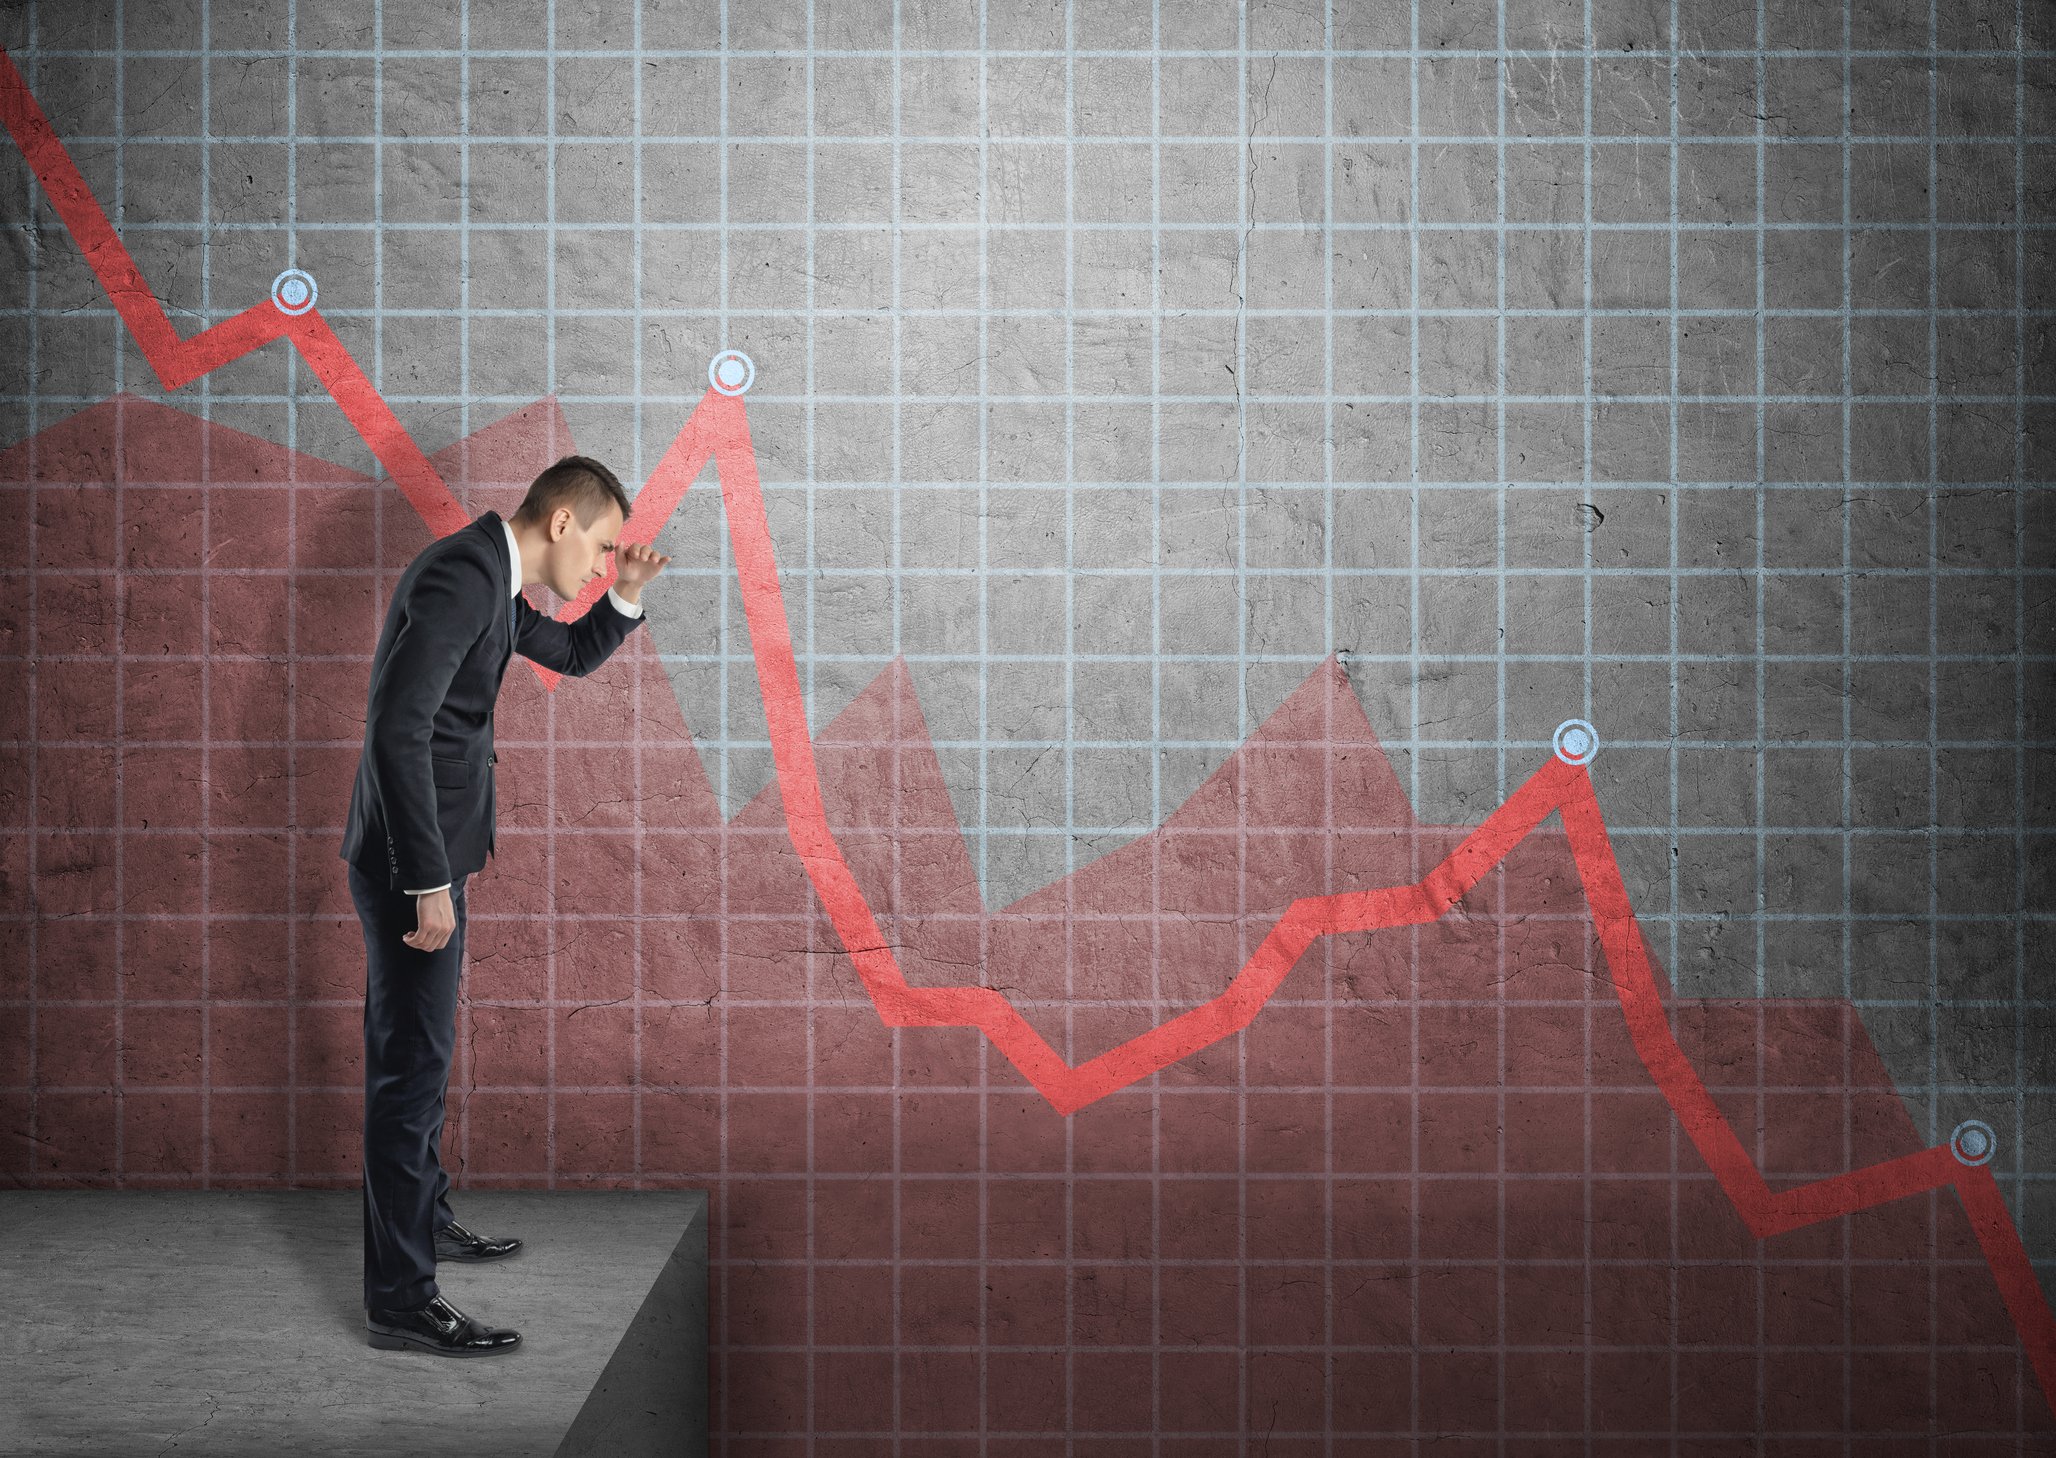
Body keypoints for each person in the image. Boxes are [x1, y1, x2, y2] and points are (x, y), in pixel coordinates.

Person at [338, 454, 671, 1356]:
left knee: (424, 1050)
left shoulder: (494, 574)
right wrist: (425, 878)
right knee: (411, 1068)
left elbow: (568, 652)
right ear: (562, 522)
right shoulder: (463, 574)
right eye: (604, 547)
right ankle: (403, 1297)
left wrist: (628, 596)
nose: (603, 563)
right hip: (417, 863)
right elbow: (396, 727)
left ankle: (426, 1218)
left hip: (435, 852)